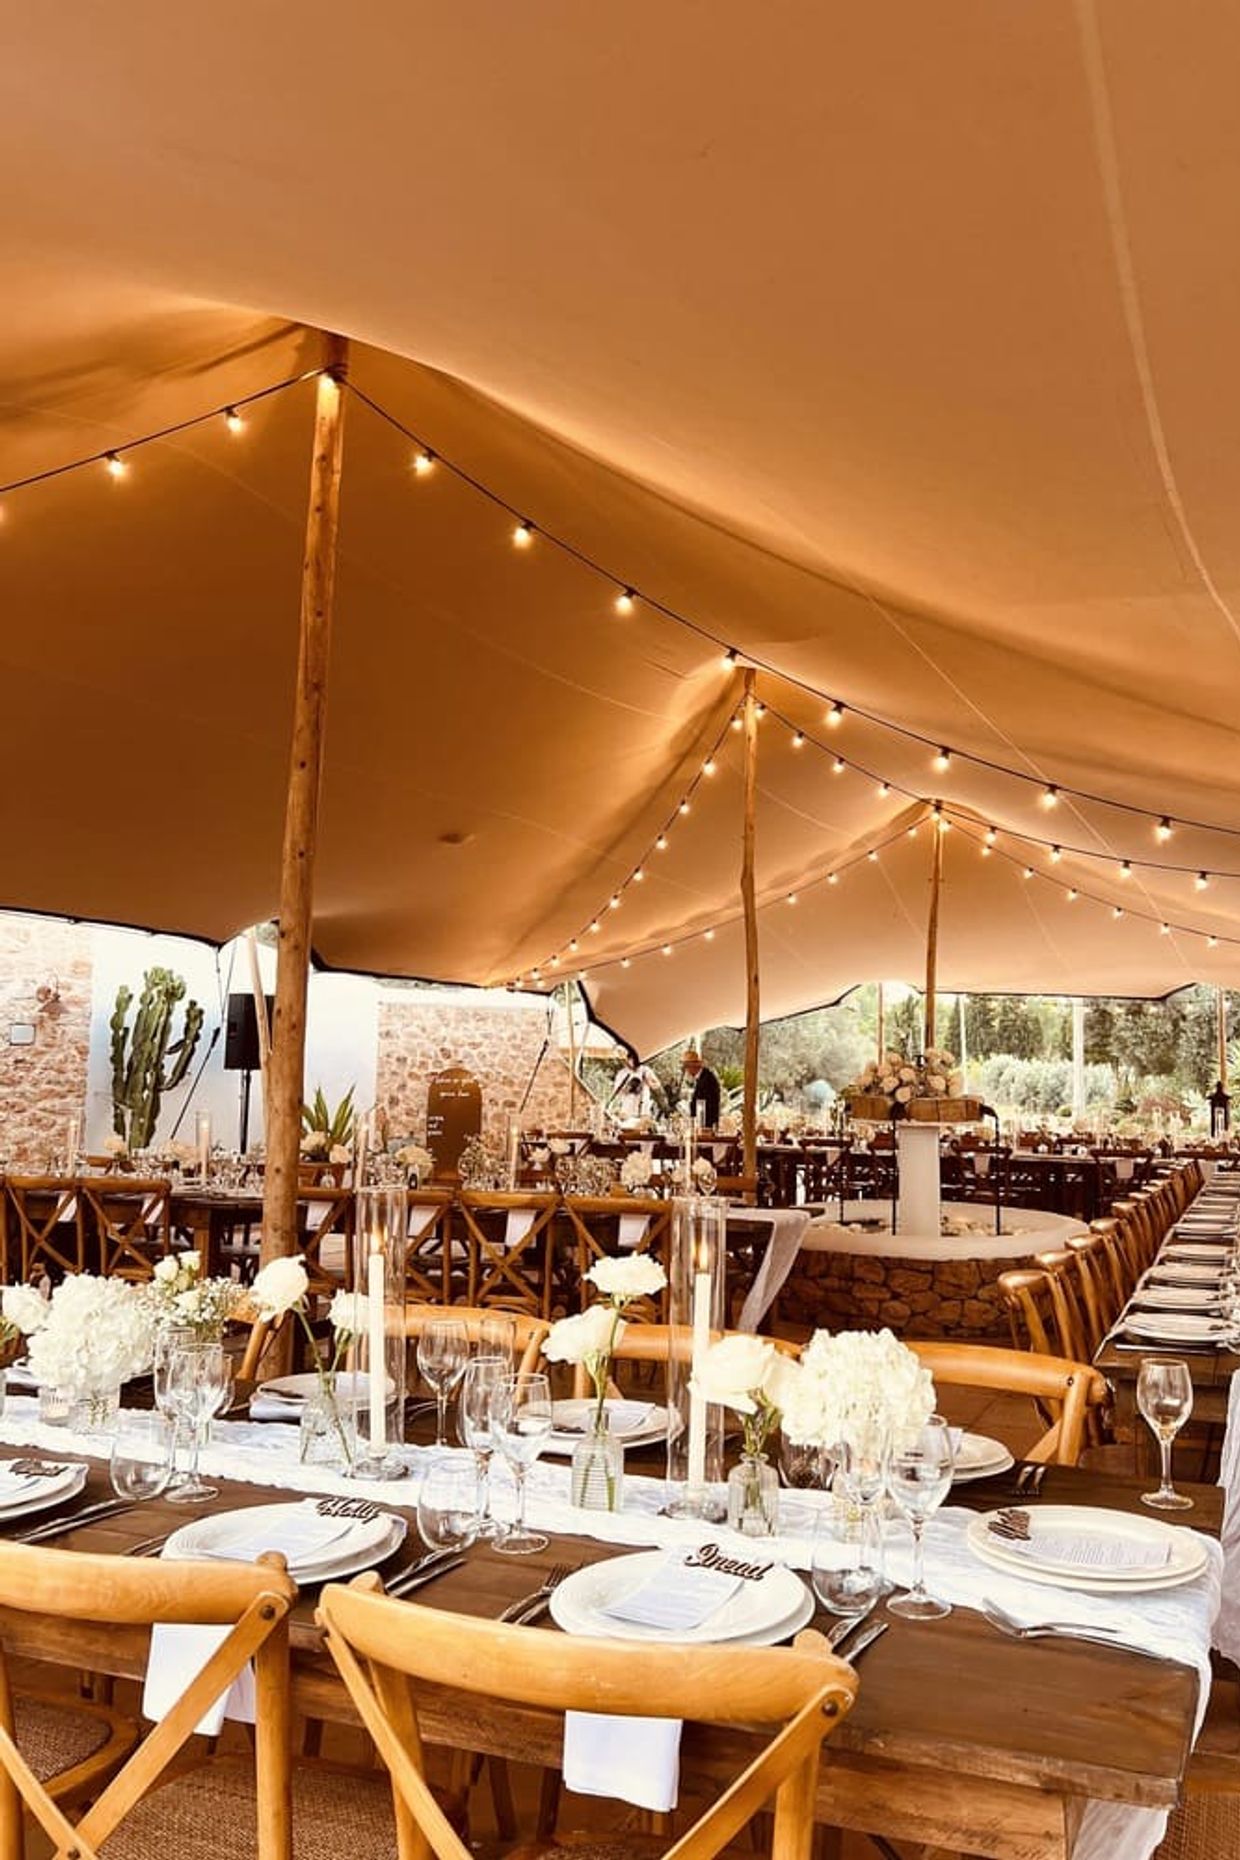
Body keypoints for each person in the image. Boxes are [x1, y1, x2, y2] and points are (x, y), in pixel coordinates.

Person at [682, 1048, 722, 1128]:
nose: (686, 1070)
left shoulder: (707, 1079)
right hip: (704, 1123)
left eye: (686, 1066)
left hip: (706, 1125)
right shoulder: (703, 1077)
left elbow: (703, 1103)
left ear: (693, 1065)